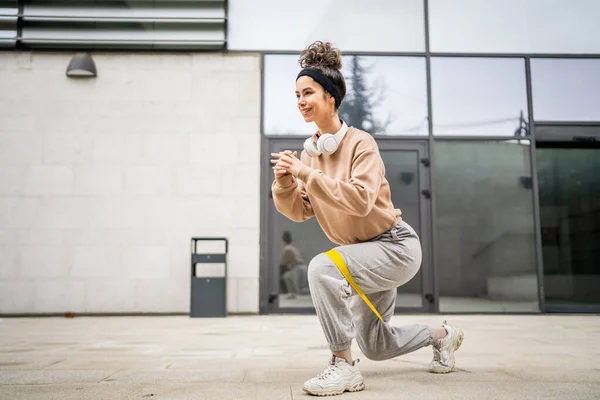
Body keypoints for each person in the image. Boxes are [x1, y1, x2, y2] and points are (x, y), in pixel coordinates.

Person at [270, 41, 464, 397]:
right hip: (361, 256)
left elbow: (360, 202)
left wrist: (306, 173)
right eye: (296, 94)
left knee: (320, 268)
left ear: (330, 96)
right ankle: (443, 336)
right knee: (376, 345)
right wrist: (285, 182)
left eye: (308, 92)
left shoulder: (362, 144)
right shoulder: (309, 156)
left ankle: (342, 365)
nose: (300, 100)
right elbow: (299, 212)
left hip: (395, 247)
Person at [279, 231, 309, 297]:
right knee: (287, 277)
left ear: (283, 241)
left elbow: (282, 262)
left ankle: (314, 292)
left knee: (300, 290)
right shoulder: (293, 248)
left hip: (297, 269)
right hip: (303, 267)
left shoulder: (287, 249)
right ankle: (292, 293)